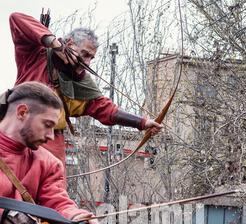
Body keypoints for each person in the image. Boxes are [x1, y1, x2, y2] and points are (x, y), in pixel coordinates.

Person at [9, 12, 163, 166]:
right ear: (68, 44)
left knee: (53, 189)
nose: (88, 62)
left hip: (51, 145)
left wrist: (143, 123)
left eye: (91, 57)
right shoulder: (36, 56)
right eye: (84, 54)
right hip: (16, 140)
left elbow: (107, 110)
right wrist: (55, 44)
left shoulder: (82, 83)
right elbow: (17, 19)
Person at [0, 81, 101, 224]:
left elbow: (57, 202)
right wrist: (5, 215)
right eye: (47, 125)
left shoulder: (49, 163)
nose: (51, 136)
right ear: (23, 112)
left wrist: (77, 218)